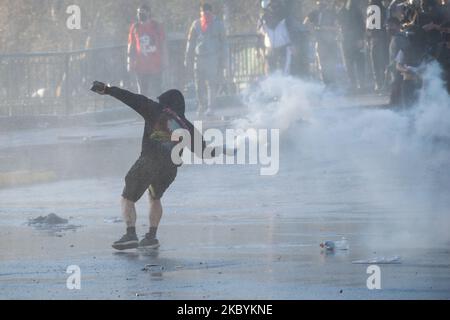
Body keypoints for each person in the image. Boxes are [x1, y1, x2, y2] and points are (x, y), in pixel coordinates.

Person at [90, 81, 216, 250]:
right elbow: (204, 152)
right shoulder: (187, 125)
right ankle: (151, 237)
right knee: (155, 198)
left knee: (127, 196)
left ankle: (130, 234)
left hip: (149, 161)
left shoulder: (156, 109)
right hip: (170, 169)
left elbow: (131, 98)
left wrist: (107, 90)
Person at [185, 3, 228, 117]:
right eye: (204, 11)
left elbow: (224, 43)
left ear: (212, 11)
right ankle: (202, 105)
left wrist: (224, 59)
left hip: (212, 58)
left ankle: (211, 107)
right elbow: (191, 42)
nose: (206, 13)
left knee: (211, 84)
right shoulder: (196, 24)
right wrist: (187, 57)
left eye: (208, 11)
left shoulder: (218, 24)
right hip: (198, 58)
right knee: (199, 84)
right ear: (201, 12)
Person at [127, 4, 167, 97]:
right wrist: (129, 62)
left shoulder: (156, 26)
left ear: (148, 13)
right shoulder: (135, 27)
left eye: (142, 12)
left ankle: (159, 110)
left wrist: (165, 60)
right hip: (140, 66)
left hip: (156, 65)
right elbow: (131, 46)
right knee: (142, 92)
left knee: (158, 90)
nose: (139, 15)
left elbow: (163, 45)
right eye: (138, 13)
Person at [304, 1, 339, 86]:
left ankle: (332, 83)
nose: (321, 6)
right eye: (320, 4)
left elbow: (337, 27)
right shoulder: (315, 13)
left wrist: (325, 28)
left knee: (332, 63)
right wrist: (313, 31)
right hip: (321, 42)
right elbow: (305, 23)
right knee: (322, 64)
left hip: (331, 42)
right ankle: (326, 83)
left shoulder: (332, 13)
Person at [335, 0, 366, 92]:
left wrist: (360, 38)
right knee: (350, 63)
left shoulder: (355, 10)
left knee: (358, 62)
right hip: (347, 40)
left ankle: (360, 84)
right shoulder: (342, 11)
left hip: (354, 39)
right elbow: (339, 25)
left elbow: (361, 25)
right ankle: (354, 84)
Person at [257, 0, 294, 75]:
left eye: (275, 3)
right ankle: (272, 85)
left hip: (283, 47)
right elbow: (259, 34)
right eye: (271, 5)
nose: (273, 7)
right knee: (270, 71)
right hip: (269, 48)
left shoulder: (284, 15)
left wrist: (292, 43)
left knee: (284, 71)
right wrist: (258, 49)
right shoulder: (263, 18)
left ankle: (285, 84)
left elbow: (291, 30)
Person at [366, 0, 389, 92]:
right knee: (383, 61)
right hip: (383, 37)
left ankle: (379, 84)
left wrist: (371, 36)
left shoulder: (373, 7)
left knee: (376, 62)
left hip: (376, 38)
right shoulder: (382, 7)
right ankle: (384, 83)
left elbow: (371, 25)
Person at [386, 17, 408, 105]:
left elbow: (404, 54)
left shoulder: (399, 38)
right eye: (387, 26)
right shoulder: (396, 38)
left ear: (399, 26)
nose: (389, 28)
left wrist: (392, 66)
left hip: (399, 74)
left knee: (396, 101)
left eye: (391, 25)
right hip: (396, 73)